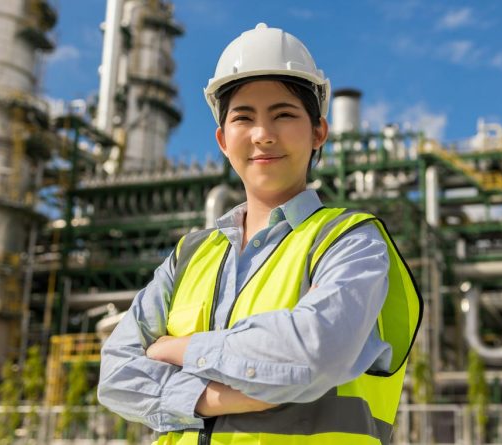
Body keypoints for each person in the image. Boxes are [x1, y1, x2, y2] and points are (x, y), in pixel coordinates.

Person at [98, 23, 423, 445]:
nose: (262, 134)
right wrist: (220, 398)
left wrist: (180, 348)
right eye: (243, 117)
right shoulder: (189, 255)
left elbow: (310, 354)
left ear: (319, 132)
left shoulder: (350, 241)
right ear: (222, 139)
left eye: (284, 114)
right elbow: (115, 375)